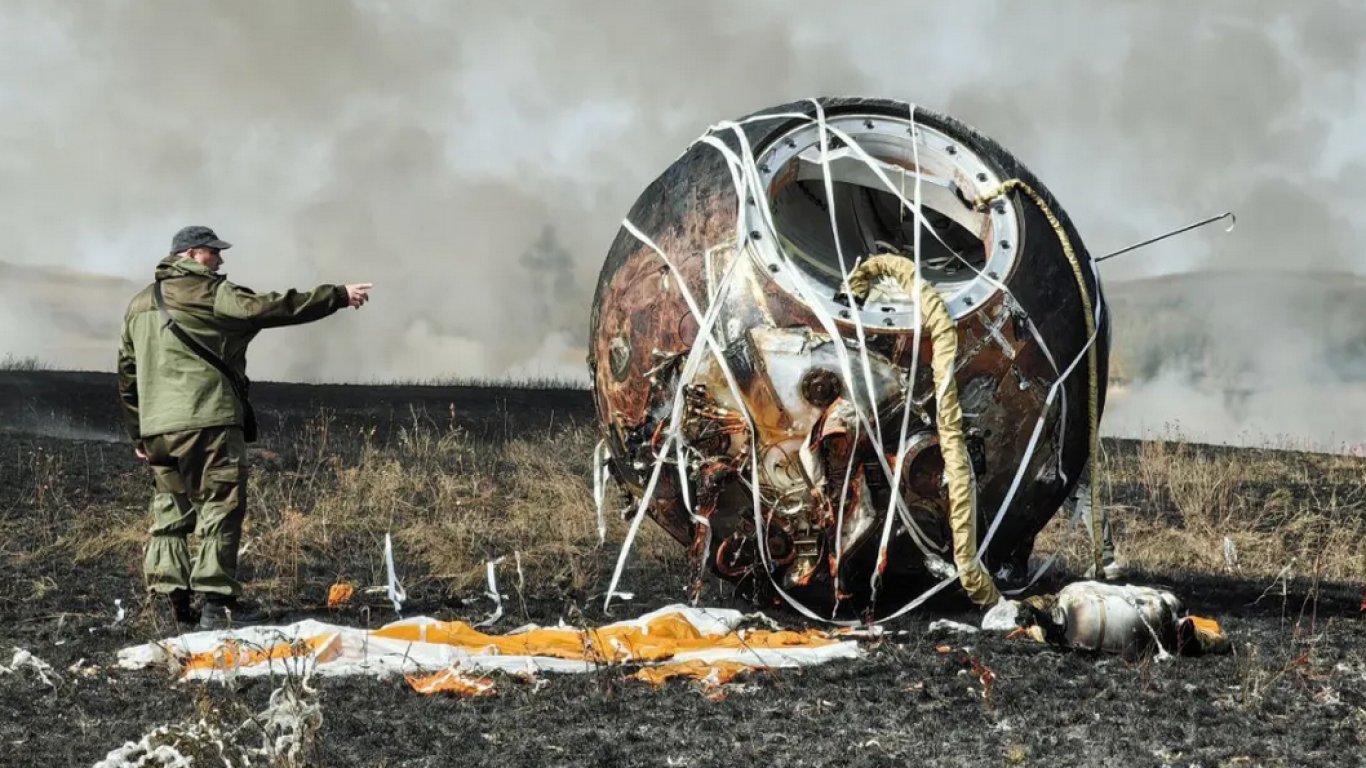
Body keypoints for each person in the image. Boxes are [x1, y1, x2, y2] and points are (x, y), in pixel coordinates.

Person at [117, 225, 372, 629]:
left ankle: (172, 605)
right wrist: (337, 295)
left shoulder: (140, 303)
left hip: (159, 432)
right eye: (214, 252)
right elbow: (272, 307)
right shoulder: (212, 293)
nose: (220, 260)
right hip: (209, 422)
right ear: (193, 253)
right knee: (221, 507)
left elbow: (128, 374)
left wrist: (139, 433)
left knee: (170, 514)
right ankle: (215, 607)